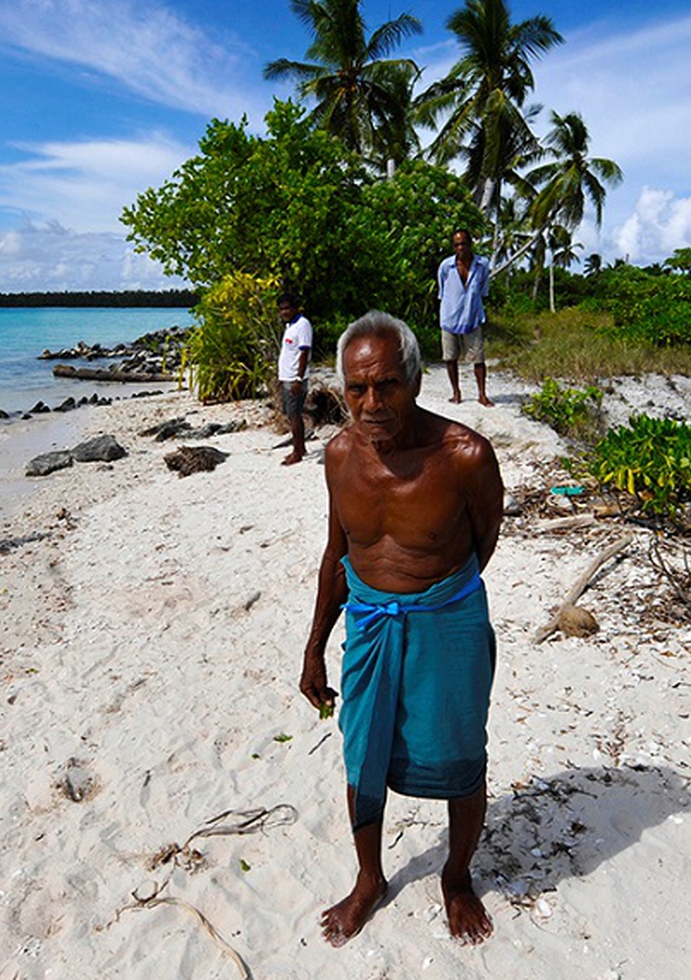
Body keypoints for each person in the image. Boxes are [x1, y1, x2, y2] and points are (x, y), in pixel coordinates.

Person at [298, 312, 504, 947]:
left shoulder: (465, 456)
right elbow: (338, 553)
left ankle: (458, 878)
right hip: (368, 625)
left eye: (386, 385)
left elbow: (482, 542)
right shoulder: (337, 456)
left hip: (448, 622)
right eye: (356, 389)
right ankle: (369, 880)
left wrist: (431, 597)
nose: (371, 403)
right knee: (361, 753)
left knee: (461, 754)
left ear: (414, 381)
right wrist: (314, 649)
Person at [437, 229, 494, 407]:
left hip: (472, 317)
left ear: (470, 244)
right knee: (450, 358)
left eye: (463, 243)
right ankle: (456, 392)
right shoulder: (446, 266)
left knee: (479, 359)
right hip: (449, 318)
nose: (460, 247)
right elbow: (442, 291)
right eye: (457, 244)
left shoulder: (482, 265)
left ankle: (482, 395)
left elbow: (483, 289)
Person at [276, 291, 313, 466]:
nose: (284, 312)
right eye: (281, 309)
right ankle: (301, 447)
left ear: (295, 308)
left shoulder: (302, 325)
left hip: (295, 379)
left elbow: (304, 352)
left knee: (295, 415)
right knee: (291, 415)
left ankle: (297, 453)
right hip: (287, 377)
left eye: (287, 308)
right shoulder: (290, 326)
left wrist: (298, 378)